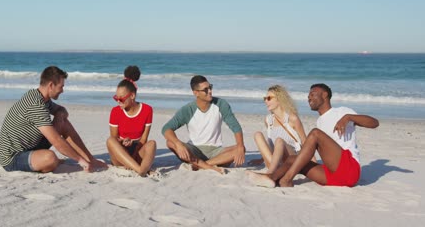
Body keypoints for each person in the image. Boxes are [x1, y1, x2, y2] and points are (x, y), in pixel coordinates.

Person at [247, 83, 379, 187]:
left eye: (313, 94)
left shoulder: (342, 111)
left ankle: (286, 180)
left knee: (315, 133)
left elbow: (374, 123)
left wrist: (348, 117)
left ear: (325, 95)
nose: (309, 97)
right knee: (292, 160)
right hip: (331, 174)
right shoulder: (320, 122)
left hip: (349, 170)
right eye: (308, 95)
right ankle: (272, 178)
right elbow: (312, 148)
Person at [0, 66, 108, 173]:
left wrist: (59, 115)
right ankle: (46, 162)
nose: (62, 91)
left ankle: (91, 160)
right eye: (61, 87)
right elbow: (56, 140)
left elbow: (62, 110)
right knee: (50, 158)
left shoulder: (41, 97)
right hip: (14, 157)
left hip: (32, 146)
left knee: (63, 122)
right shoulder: (35, 104)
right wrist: (79, 160)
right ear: (51, 85)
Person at [162, 75, 245, 174]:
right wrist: (178, 144)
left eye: (210, 87)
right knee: (170, 143)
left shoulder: (221, 104)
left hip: (216, 152)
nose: (210, 91)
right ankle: (206, 165)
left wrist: (240, 146)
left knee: (241, 148)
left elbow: (235, 126)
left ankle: (202, 165)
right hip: (194, 151)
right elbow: (166, 129)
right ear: (196, 93)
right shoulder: (188, 109)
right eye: (205, 89)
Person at [248, 85, 313, 173]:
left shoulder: (292, 118)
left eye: (269, 98)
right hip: (274, 162)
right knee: (258, 135)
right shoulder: (268, 120)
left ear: (279, 99)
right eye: (265, 98)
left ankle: (270, 173)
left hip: (291, 159)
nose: (266, 101)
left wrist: (313, 164)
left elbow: (305, 141)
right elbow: (271, 145)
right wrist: (261, 159)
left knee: (279, 141)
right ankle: (274, 169)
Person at [106, 65, 156, 177]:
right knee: (110, 141)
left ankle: (138, 168)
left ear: (132, 95)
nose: (118, 101)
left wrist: (133, 146)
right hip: (120, 156)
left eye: (121, 98)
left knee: (152, 144)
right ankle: (141, 170)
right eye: (116, 98)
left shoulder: (147, 110)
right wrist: (122, 142)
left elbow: (143, 140)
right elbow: (114, 139)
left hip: (137, 152)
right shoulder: (115, 112)